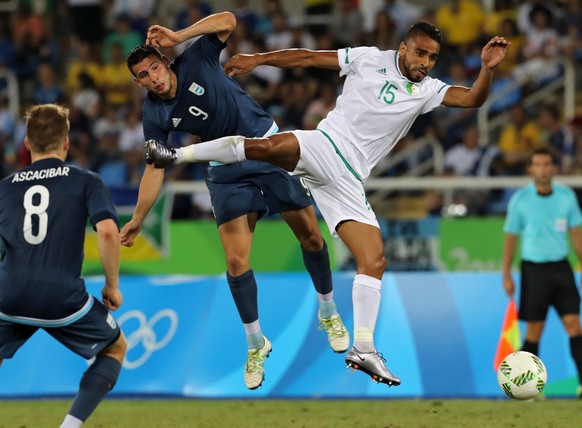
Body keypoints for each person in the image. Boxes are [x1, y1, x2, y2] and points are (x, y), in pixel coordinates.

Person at [146, 21, 509, 386]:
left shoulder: (429, 90)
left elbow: (473, 99)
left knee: (374, 259)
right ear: (402, 48)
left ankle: (364, 348)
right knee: (263, 147)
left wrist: (487, 70)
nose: (426, 62)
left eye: (432, 57)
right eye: (420, 53)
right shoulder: (368, 58)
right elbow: (307, 57)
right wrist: (259, 59)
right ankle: (177, 154)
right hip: (325, 145)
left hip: (349, 179)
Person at [121, 11, 349, 390]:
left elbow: (228, 20)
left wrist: (179, 34)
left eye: (153, 69)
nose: (152, 79)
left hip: (268, 148)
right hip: (225, 170)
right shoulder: (154, 112)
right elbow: (155, 167)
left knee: (310, 236)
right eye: (142, 77)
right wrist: (139, 217)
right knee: (235, 260)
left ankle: (329, 312)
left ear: (164, 61)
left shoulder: (195, 57)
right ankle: (256, 342)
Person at [0, 104, 127, 427]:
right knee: (114, 349)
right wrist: (112, 286)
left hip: (9, 295)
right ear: (67, 142)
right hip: (62, 297)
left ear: (27, 144)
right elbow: (109, 232)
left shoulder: (4, 187)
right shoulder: (85, 181)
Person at [502, 147, 582, 398]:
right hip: (533, 270)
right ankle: (526, 388)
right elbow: (511, 238)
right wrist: (506, 273)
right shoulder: (521, 200)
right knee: (535, 329)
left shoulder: (567, 197)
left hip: (561, 268)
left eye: (547, 164)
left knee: (573, 324)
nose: (543, 169)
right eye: (538, 164)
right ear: (530, 169)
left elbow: (577, 235)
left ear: (554, 168)